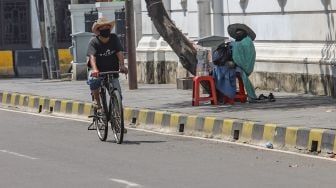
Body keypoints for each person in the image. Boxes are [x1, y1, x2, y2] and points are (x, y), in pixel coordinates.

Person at [87, 17, 128, 109]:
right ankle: (97, 100)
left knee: (118, 94)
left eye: (107, 27)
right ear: (99, 30)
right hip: (98, 71)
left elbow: (119, 52)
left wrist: (122, 65)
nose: (105, 29)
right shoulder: (93, 42)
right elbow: (92, 57)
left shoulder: (114, 38)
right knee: (93, 80)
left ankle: (116, 114)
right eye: (103, 27)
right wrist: (95, 69)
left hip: (112, 70)